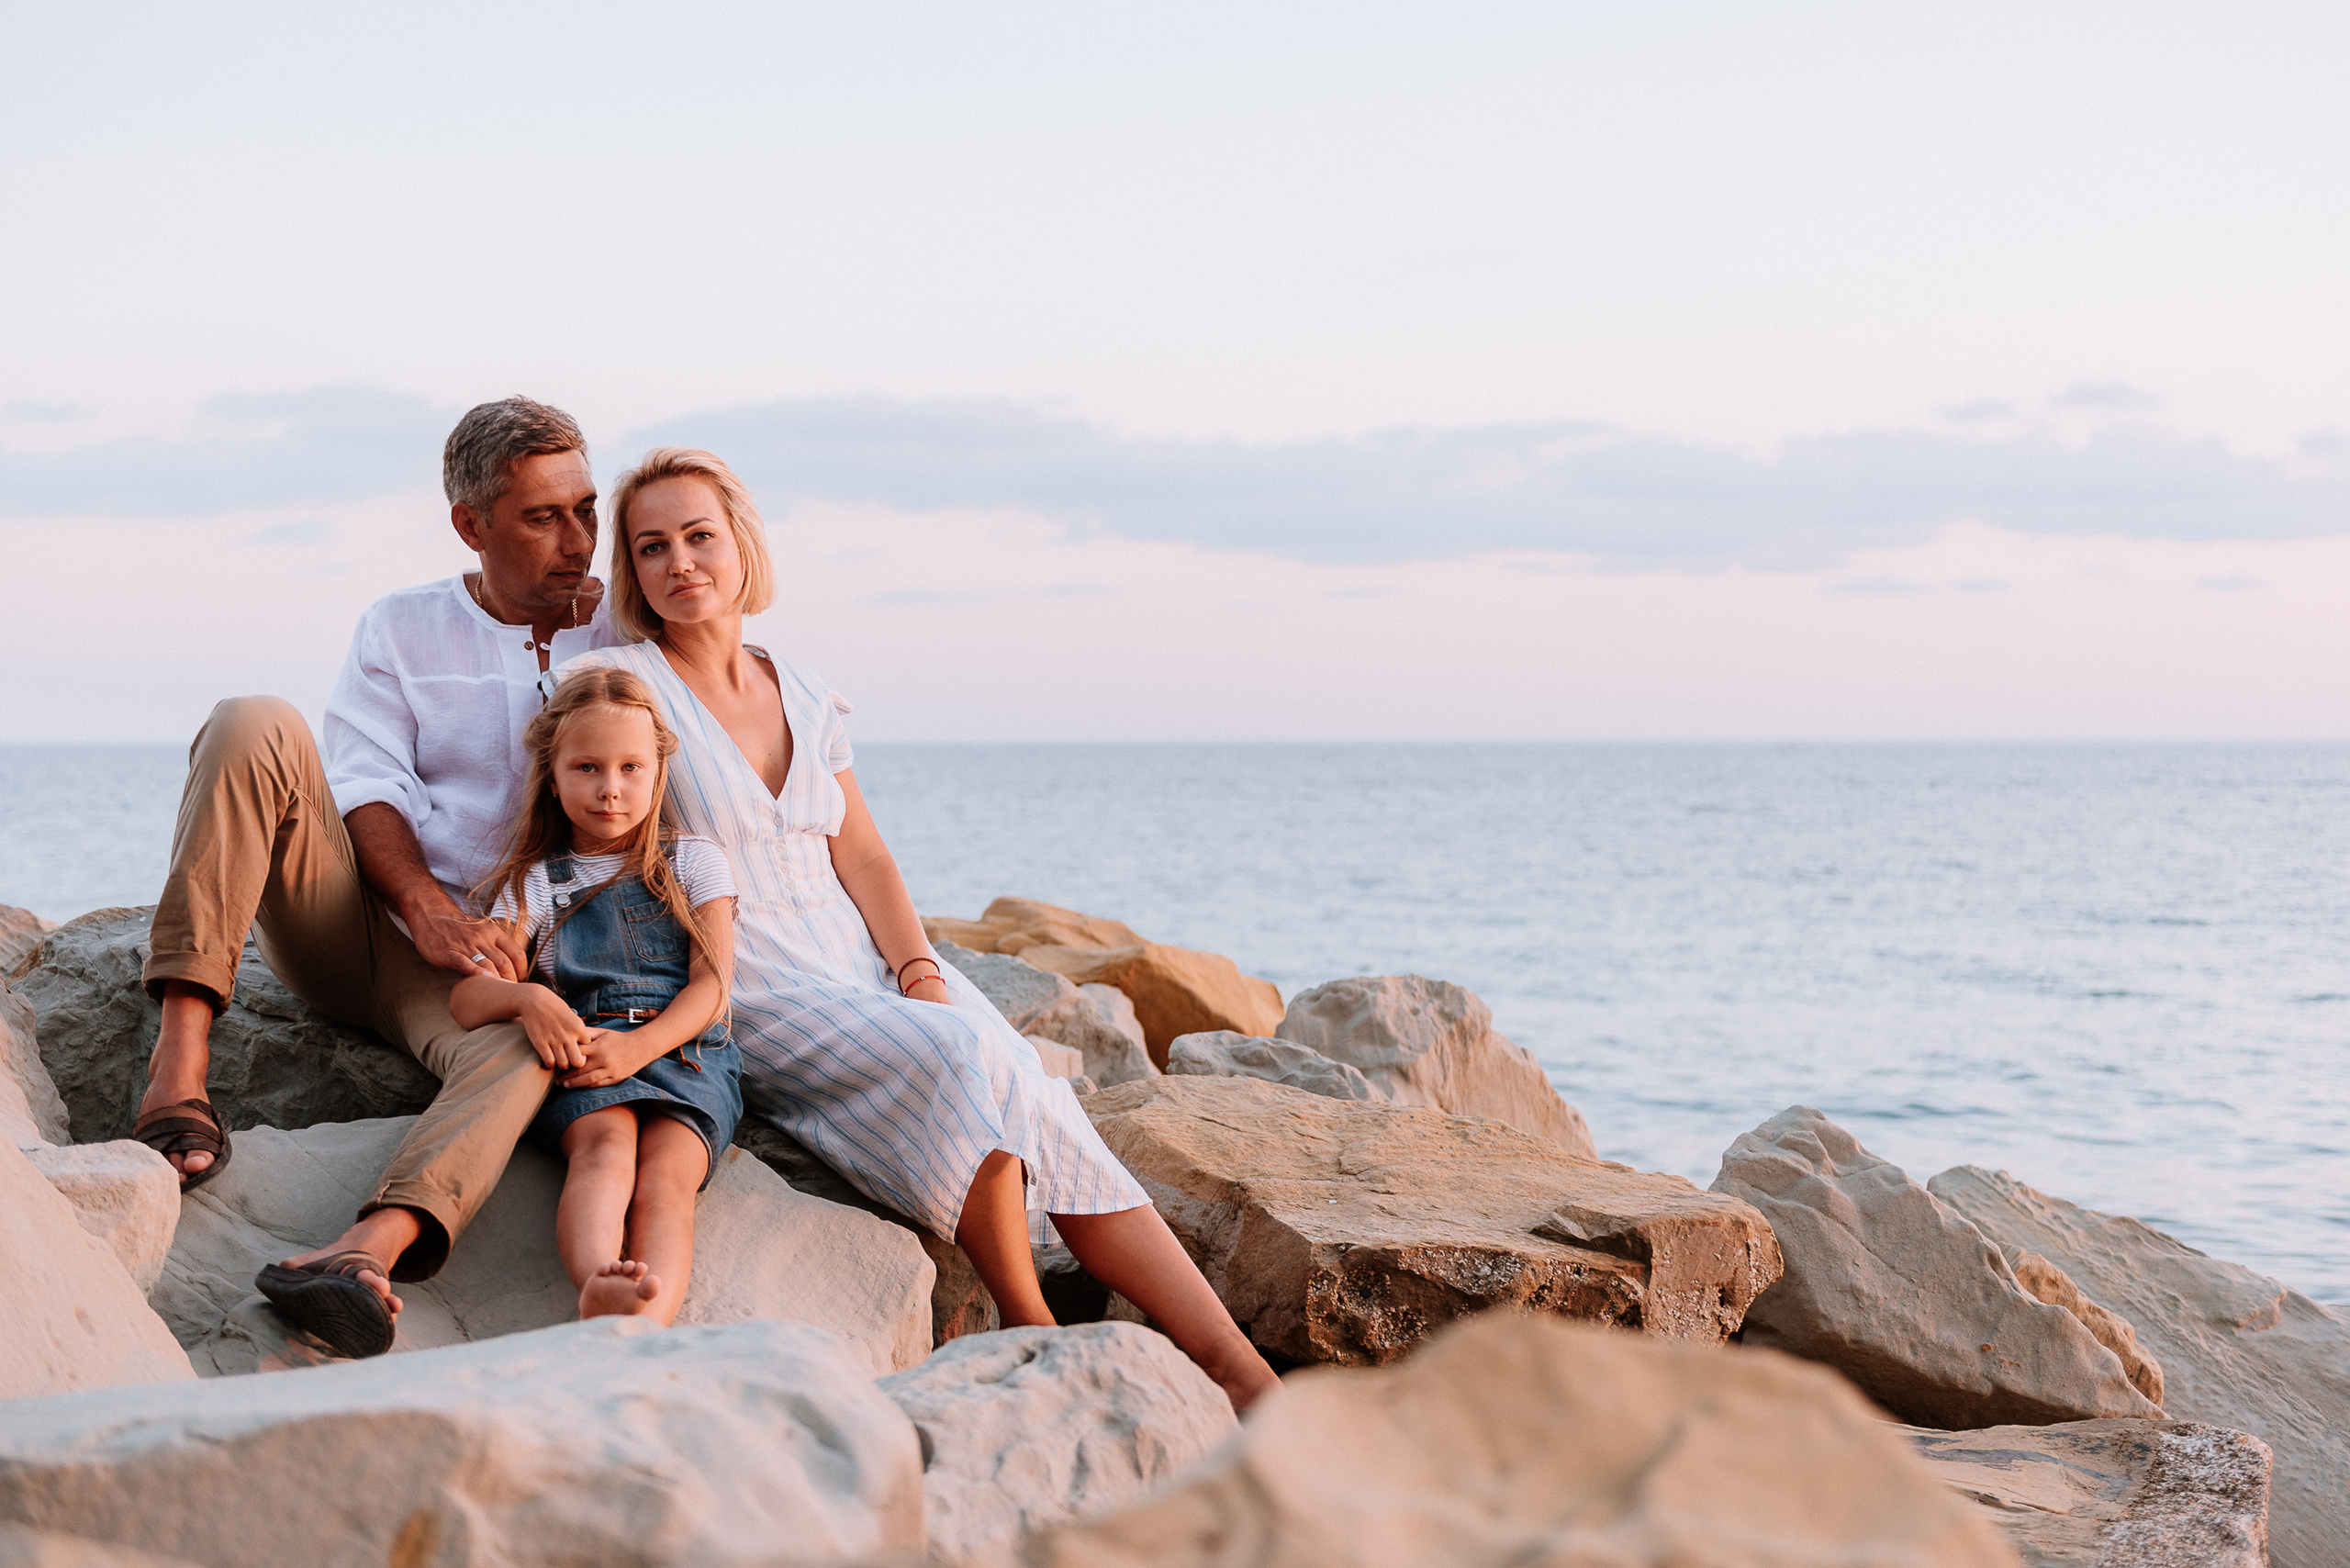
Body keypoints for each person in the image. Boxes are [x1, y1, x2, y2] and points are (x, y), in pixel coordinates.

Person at [561, 447, 1281, 1411]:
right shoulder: (623, 680)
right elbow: (558, 806)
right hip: (746, 968)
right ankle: (1032, 1325)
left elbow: (864, 858)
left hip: (856, 948)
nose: (679, 562)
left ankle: (1237, 1366)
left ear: (741, 545)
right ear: (633, 572)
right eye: (651, 547)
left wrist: (916, 964)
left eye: (699, 536)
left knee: (1029, 1082)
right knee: (955, 1057)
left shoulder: (805, 692)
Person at [138, 396, 627, 1358]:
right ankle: (178, 1070)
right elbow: (365, 783)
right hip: (358, 925)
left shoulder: (621, 627)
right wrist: (427, 909)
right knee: (253, 721)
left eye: (586, 508)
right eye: (543, 516)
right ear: (471, 525)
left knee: (536, 1045)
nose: (578, 539)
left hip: (491, 972)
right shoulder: (401, 626)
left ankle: (363, 1251)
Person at [445, 666, 738, 1325]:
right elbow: (468, 1002)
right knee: (604, 1150)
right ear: (553, 777)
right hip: (587, 1048)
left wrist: (642, 1048)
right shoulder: (536, 884)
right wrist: (526, 1002)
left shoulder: (694, 861)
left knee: (667, 1178)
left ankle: (648, 1313)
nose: (610, 790)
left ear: (659, 771)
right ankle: (599, 1283)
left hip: (685, 1051)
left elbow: (713, 987)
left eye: (631, 768)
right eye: (587, 769)